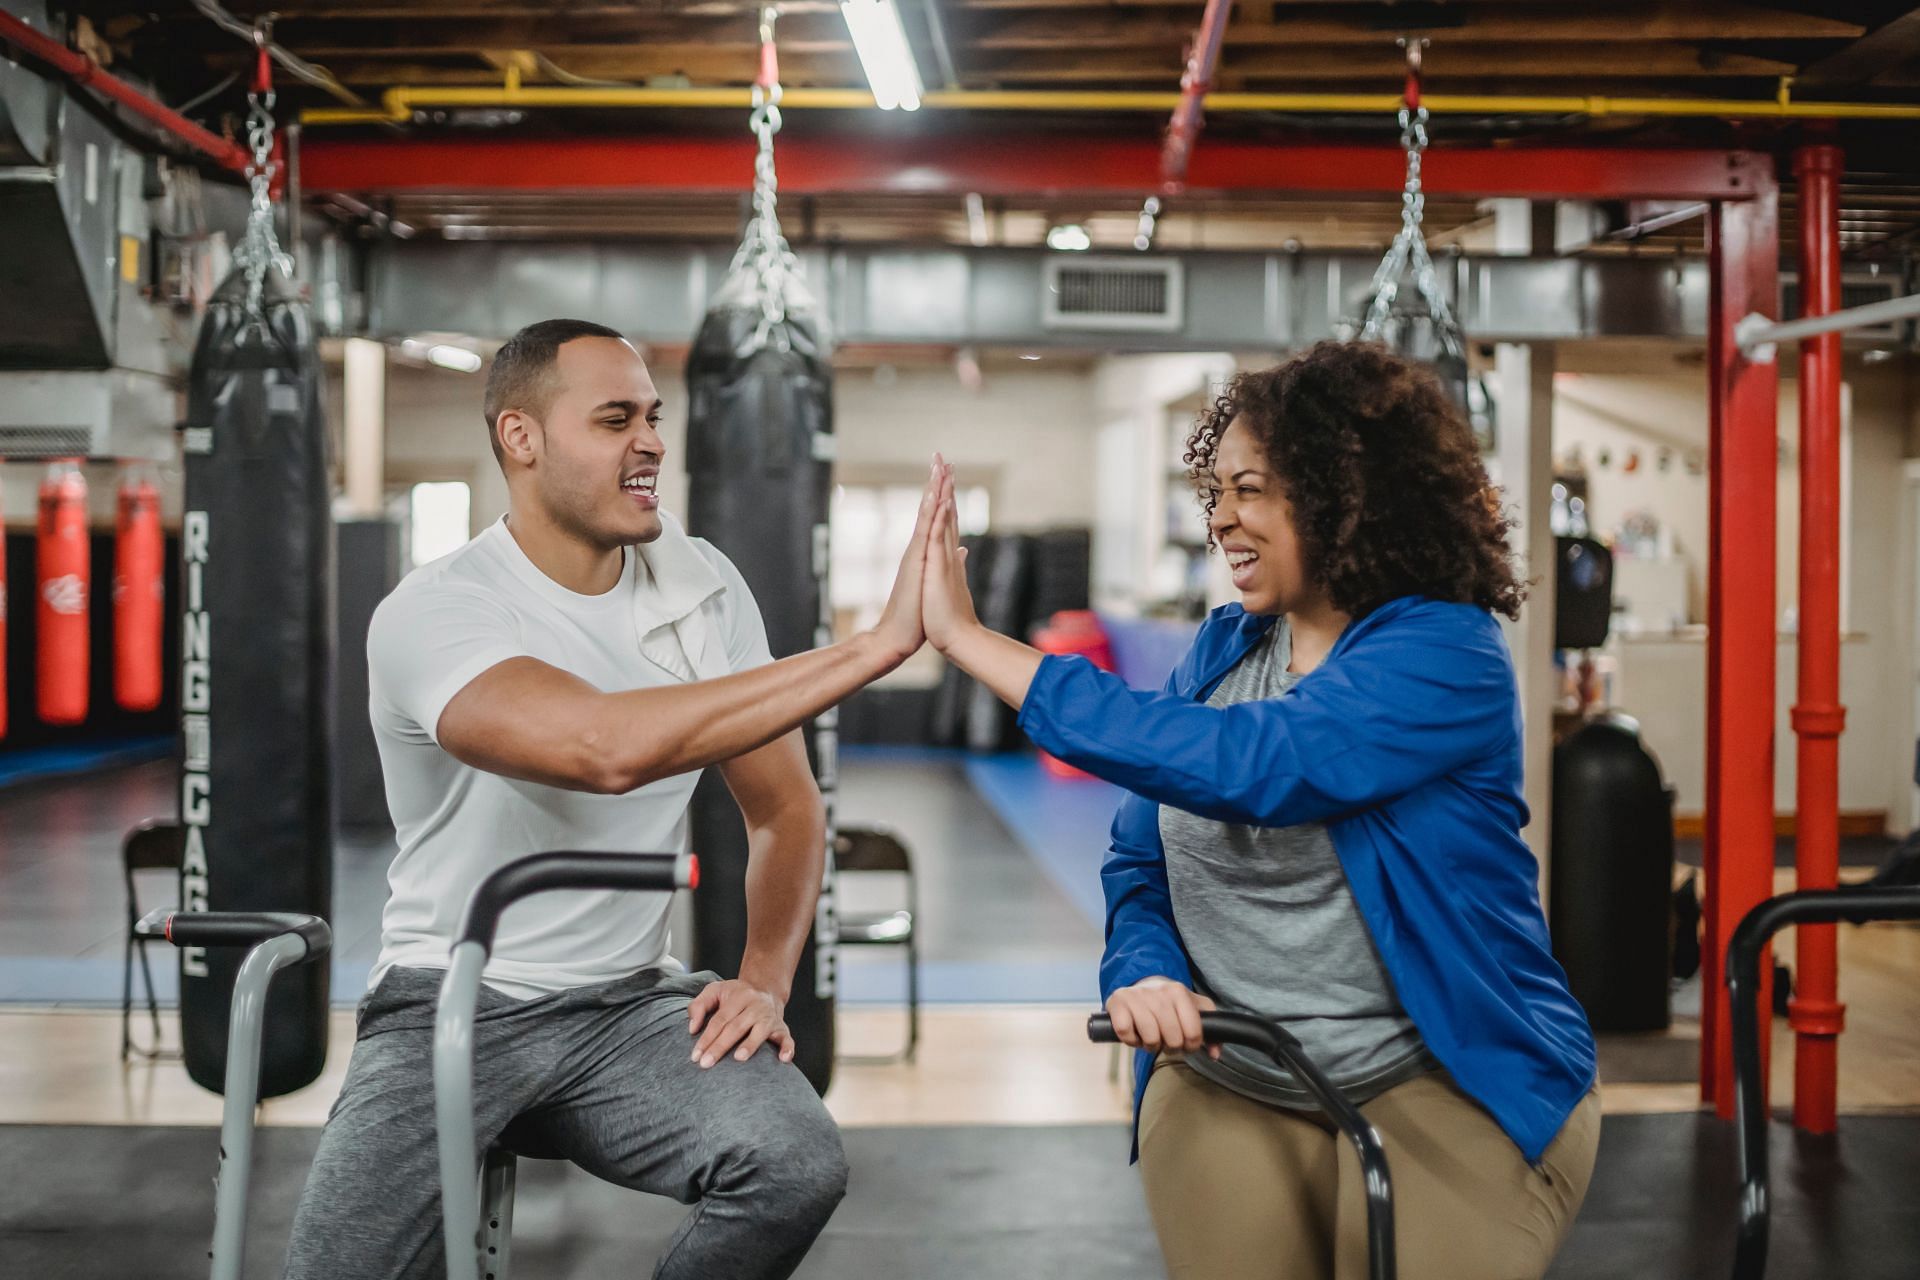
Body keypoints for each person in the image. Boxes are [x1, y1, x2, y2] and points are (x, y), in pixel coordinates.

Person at [920, 340, 1600, 1280]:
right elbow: (1138, 858)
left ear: (1345, 495)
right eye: (1217, 492)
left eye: (1253, 489)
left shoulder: (1446, 653)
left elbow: (1257, 765)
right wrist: (1144, 967)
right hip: (1234, 1070)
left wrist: (971, 641)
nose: (1223, 520)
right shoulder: (1228, 648)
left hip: (1447, 1071)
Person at [284, 319, 938, 1280]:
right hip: (452, 999)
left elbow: (786, 808)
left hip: (625, 1011)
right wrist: (873, 648)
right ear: (521, 437)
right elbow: (601, 748)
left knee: (794, 1160)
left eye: (653, 417)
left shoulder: (701, 585)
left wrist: (763, 978)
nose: (652, 442)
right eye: (614, 418)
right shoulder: (439, 609)